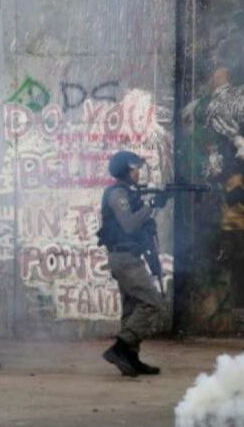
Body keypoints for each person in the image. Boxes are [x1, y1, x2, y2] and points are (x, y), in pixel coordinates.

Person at [98, 150, 167, 376]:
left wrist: (152, 205)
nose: (138, 172)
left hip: (129, 256)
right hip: (125, 258)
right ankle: (119, 348)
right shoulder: (118, 193)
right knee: (152, 302)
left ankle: (130, 358)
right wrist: (151, 205)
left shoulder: (128, 192)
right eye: (134, 168)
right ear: (124, 171)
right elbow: (128, 225)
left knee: (131, 308)